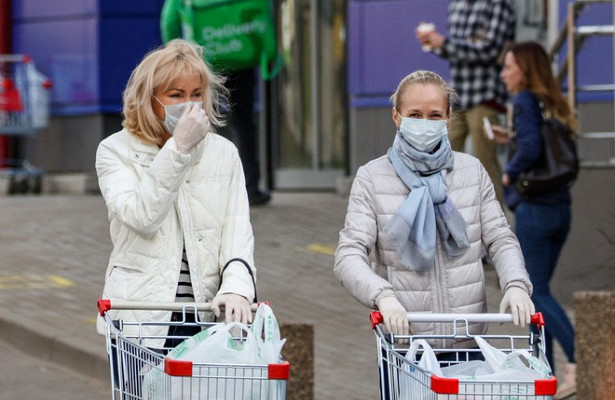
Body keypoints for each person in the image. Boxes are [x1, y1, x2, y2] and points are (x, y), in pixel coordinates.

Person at [333, 70, 534, 400]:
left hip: (470, 347)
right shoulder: (372, 178)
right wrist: (383, 296)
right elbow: (349, 255)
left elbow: (499, 238)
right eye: (414, 115)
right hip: (406, 350)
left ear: (449, 118)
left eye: (434, 115)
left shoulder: (471, 171)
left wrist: (515, 284)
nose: (424, 123)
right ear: (397, 117)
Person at [95, 39, 257, 350]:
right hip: (140, 319)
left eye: (197, 94)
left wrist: (238, 288)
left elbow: (237, 233)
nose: (190, 104)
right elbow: (141, 217)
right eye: (176, 95)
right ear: (149, 99)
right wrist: (179, 149)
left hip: (204, 318)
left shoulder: (223, 153)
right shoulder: (115, 151)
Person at [494, 41, 577, 400]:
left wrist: (509, 173)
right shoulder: (551, 102)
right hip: (560, 209)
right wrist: (509, 139)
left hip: (536, 209)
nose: (504, 73)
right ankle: (546, 372)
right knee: (538, 292)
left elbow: (530, 149)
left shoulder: (525, 100)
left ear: (524, 69)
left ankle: (577, 362)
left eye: (509, 66)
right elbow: (539, 143)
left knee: (534, 291)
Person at [160, 0, 272, 206]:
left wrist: (175, 57)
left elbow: (170, 20)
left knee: (201, 121)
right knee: (244, 123)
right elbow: (261, 13)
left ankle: (202, 188)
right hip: (242, 56)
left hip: (204, 60)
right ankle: (250, 188)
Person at [415, 0, 516, 204]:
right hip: (458, 95)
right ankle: (448, 222)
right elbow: (456, 50)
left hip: (486, 95)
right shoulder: (457, 5)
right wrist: (434, 44)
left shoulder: (499, 4)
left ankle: (494, 227)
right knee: (443, 160)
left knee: (485, 164)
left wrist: (444, 43)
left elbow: (490, 50)